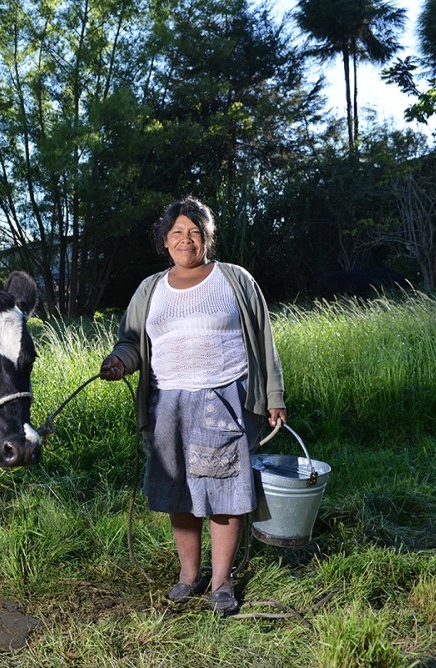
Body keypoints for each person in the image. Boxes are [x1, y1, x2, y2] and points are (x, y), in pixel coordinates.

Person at [99, 195, 287, 615]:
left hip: (225, 397)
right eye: (178, 233)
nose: (187, 240)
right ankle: (189, 575)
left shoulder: (234, 280)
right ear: (165, 241)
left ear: (208, 239)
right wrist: (118, 362)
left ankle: (221, 582)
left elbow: (264, 340)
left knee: (225, 491)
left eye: (195, 232)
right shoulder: (150, 289)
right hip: (168, 403)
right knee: (179, 492)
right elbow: (131, 342)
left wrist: (274, 396)